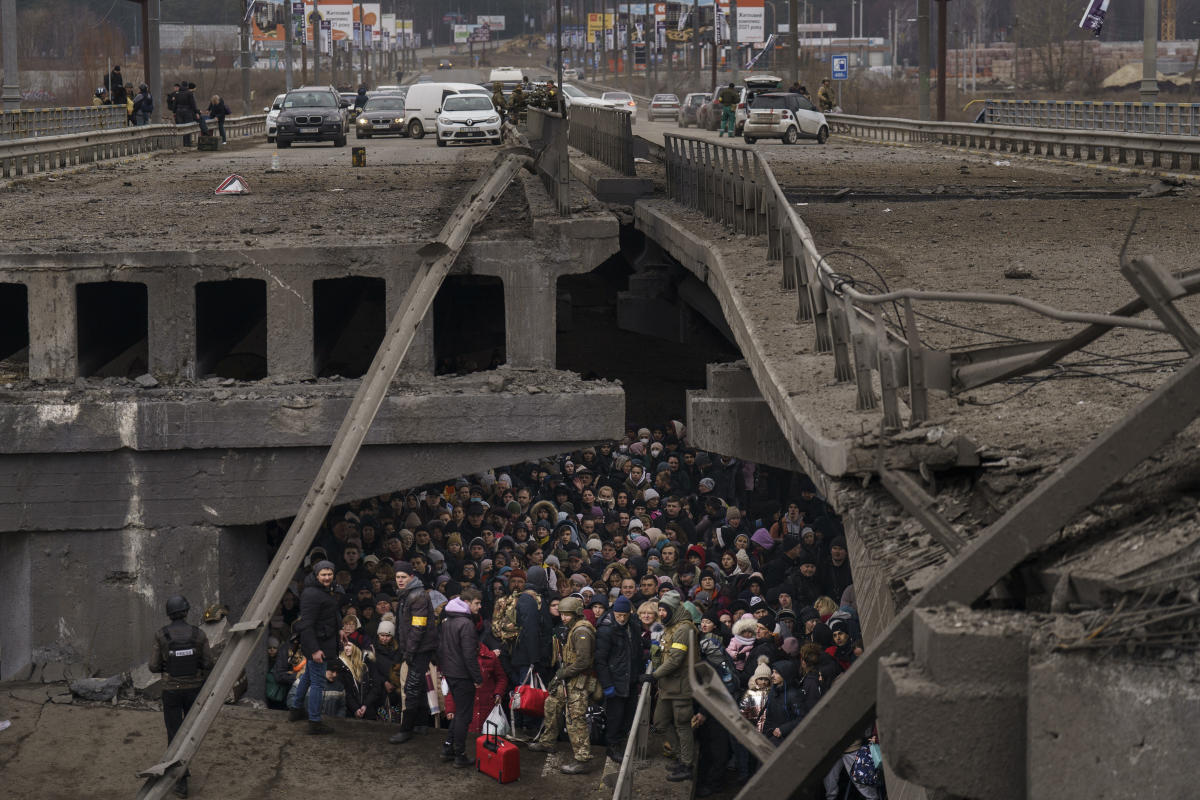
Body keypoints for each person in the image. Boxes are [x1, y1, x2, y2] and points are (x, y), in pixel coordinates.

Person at [149, 595, 214, 799]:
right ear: (186, 611)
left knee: (174, 733)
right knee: (191, 733)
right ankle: (185, 770)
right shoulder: (199, 634)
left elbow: (153, 666)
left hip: (171, 691)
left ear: (169, 614)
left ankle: (181, 780)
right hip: (194, 689)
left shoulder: (161, 635)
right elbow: (207, 663)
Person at [528, 595, 596, 774]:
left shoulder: (582, 631)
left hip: (579, 680)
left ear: (576, 613)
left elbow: (583, 662)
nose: (563, 617)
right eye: (562, 614)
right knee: (551, 704)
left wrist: (561, 674)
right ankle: (548, 741)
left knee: (575, 719)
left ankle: (582, 759)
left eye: (567, 614)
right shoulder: (572, 628)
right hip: (569, 678)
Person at [639, 591, 697, 782]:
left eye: (664, 610)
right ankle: (680, 755)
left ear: (674, 610)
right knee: (660, 722)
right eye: (660, 610)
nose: (661, 614)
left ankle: (686, 764)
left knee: (682, 725)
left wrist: (653, 676)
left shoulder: (684, 629)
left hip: (681, 687)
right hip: (667, 687)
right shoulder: (670, 627)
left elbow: (675, 660)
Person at [288, 560, 340, 735]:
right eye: (323, 574)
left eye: (329, 574)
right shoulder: (312, 594)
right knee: (318, 682)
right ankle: (315, 721)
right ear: (316, 575)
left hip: (322, 641)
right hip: (318, 645)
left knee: (308, 677)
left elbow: (329, 615)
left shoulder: (324, 590)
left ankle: (296, 709)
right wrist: (315, 650)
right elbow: (307, 625)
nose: (327, 577)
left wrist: (339, 630)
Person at [389, 560, 438, 744]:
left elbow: (418, 627)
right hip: (416, 647)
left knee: (411, 686)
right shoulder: (408, 594)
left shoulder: (417, 596)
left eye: (403, 577)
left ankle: (406, 729)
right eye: (398, 577)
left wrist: (409, 651)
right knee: (418, 685)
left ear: (411, 577)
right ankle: (421, 723)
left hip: (419, 649)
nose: (400, 580)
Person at [438, 586, 484, 767]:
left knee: (459, 713)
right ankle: (459, 755)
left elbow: (442, 648)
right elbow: (469, 655)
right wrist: (477, 678)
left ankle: (448, 749)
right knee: (464, 716)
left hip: (450, 672)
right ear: (466, 603)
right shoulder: (466, 624)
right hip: (463, 675)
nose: (479, 607)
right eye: (477, 603)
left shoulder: (448, 620)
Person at [595, 594, 641, 762]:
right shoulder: (606, 629)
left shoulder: (633, 626)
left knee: (628, 714)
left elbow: (636, 651)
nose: (621, 618)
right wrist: (607, 684)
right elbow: (600, 660)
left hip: (630, 678)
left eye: (624, 615)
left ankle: (620, 742)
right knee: (615, 716)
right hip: (615, 679)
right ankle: (612, 747)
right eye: (618, 615)